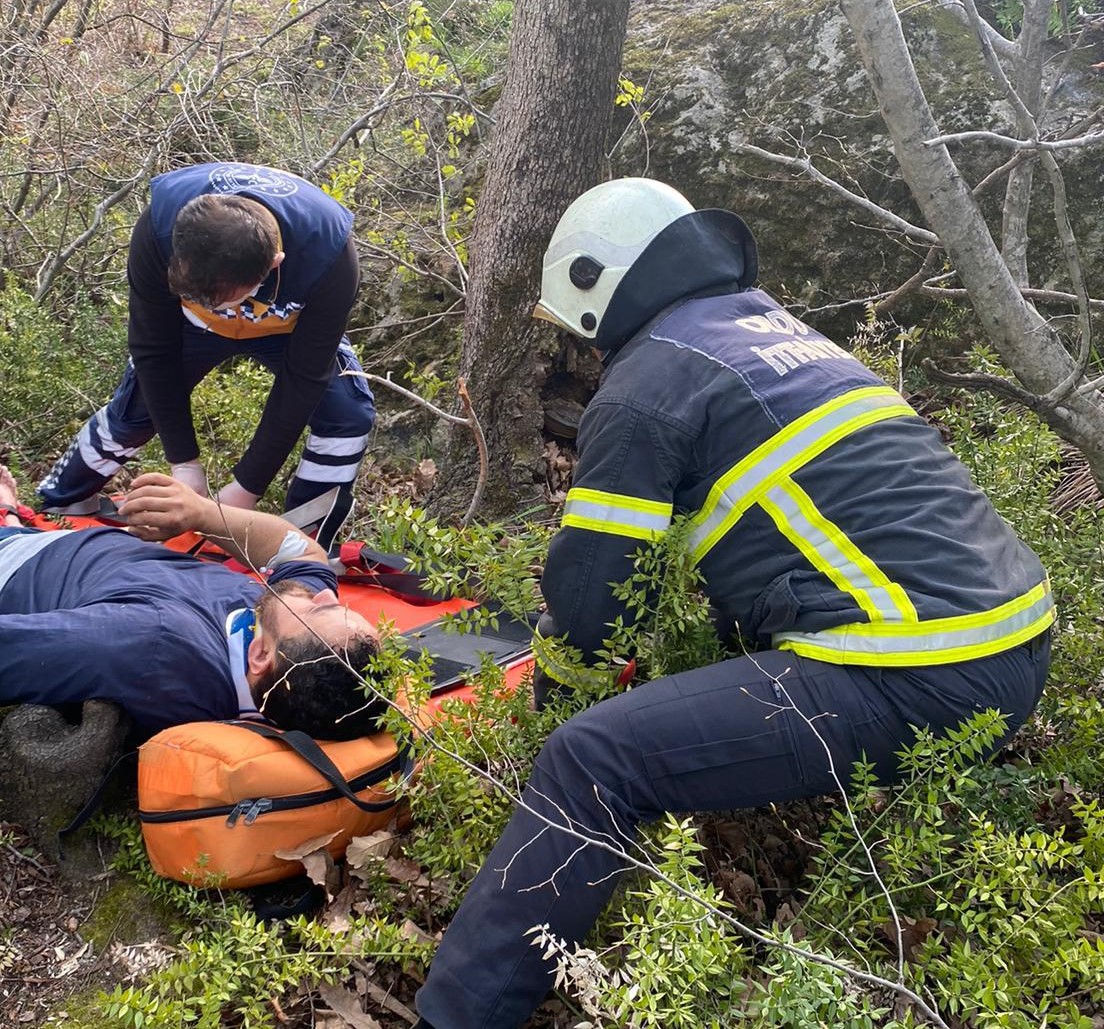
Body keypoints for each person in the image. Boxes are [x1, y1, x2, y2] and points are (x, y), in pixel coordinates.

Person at [413, 179, 1053, 1028]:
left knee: (592, 758)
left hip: (920, 669)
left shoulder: (645, 384)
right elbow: (775, 545)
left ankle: (454, 1016)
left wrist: (550, 712)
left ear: (597, 289)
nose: (584, 350)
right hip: (1015, 642)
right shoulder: (773, 332)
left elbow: (593, 604)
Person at [0, 462, 383, 740]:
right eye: (338, 604)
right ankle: (7, 516)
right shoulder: (283, 640)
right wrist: (199, 513)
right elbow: (305, 555)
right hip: (47, 556)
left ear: (261, 656)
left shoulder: (149, 648)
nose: (326, 593)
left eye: (321, 609)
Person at [38, 162, 375, 551]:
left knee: (347, 416)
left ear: (273, 264)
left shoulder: (331, 258)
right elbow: (153, 349)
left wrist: (245, 489)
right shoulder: (159, 228)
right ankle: (59, 503)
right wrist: (184, 463)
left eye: (224, 301)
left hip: (288, 327)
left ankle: (303, 540)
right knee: (136, 410)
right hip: (189, 326)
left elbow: (305, 378)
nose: (219, 311)